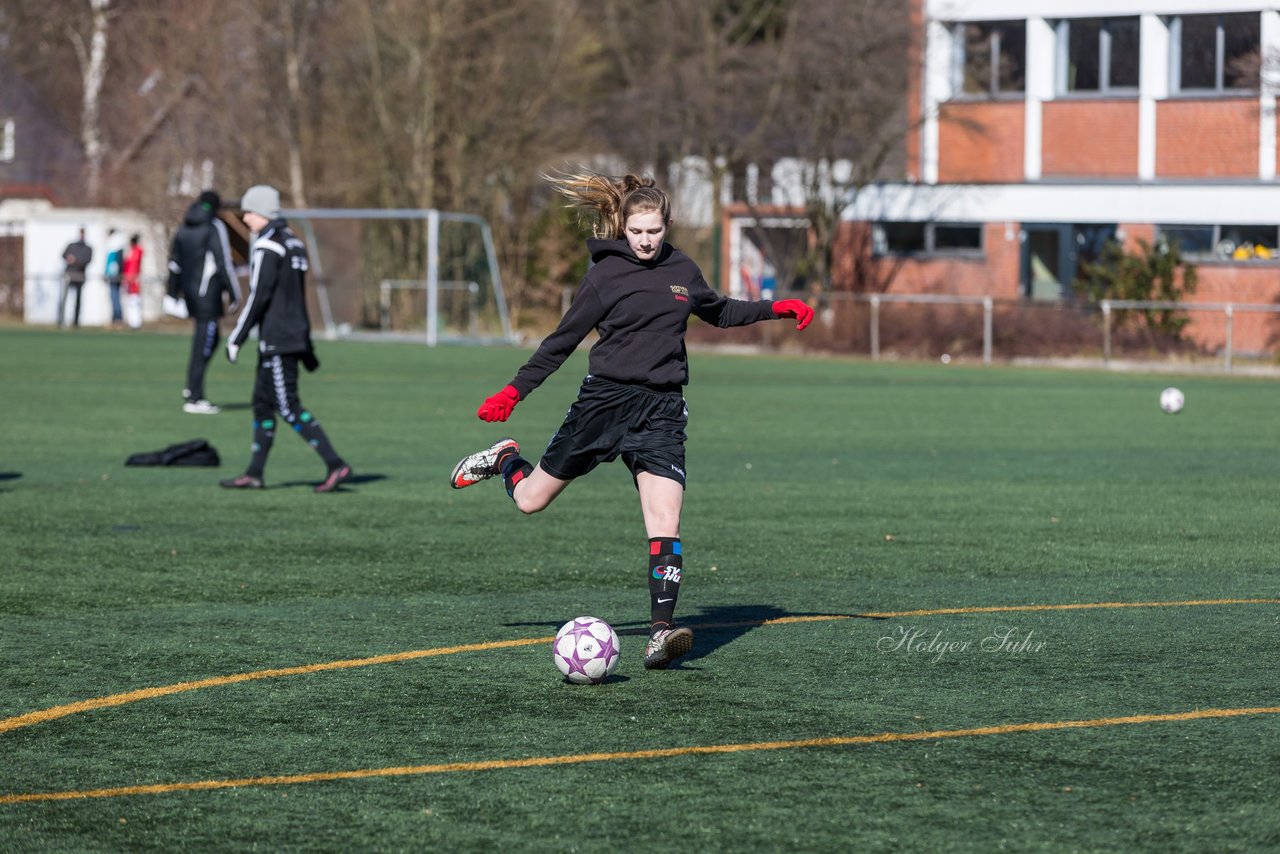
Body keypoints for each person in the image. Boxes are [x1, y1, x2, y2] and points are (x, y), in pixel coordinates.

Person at [448, 170, 814, 670]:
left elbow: (720, 311)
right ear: (623, 227)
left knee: (665, 520)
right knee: (531, 501)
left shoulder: (683, 269)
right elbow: (561, 341)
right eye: (637, 232)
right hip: (604, 404)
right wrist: (515, 391)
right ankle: (506, 459)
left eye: (654, 231)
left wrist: (777, 308)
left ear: (667, 226)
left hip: (661, 410)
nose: (645, 240)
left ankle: (659, 634)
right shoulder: (604, 276)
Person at [220, 184, 352, 494]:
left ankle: (336, 464)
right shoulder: (293, 241)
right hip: (290, 336)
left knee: (288, 406)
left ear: (263, 213)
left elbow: (259, 295)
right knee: (262, 405)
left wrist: (237, 336)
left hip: (278, 340)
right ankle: (254, 473)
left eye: (250, 212)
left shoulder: (268, 245)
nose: (246, 218)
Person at [167, 190, 241, 414]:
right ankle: (195, 397)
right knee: (204, 343)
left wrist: (173, 292)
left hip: (191, 294)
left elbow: (174, 263)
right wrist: (235, 293)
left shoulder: (184, 226)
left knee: (206, 340)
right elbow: (223, 262)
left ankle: (191, 389)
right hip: (207, 294)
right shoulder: (213, 226)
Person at [58, 228, 92, 328]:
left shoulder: (88, 248)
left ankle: (76, 322)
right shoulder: (71, 246)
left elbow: (87, 260)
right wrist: (68, 258)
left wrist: (76, 260)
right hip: (69, 275)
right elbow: (63, 255)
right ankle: (61, 321)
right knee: (64, 299)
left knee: (78, 300)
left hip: (80, 276)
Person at [104, 228, 125, 327]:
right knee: (113, 298)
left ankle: (118, 319)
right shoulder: (115, 247)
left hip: (114, 276)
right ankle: (115, 318)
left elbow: (112, 264)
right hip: (113, 275)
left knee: (115, 297)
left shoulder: (115, 247)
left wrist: (109, 273)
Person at [122, 233, 144, 329]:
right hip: (129, 279)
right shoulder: (131, 251)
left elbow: (134, 265)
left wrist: (132, 277)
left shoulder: (137, 251)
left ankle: (136, 322)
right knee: (130, 301)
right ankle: (132, 321)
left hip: (133, 279)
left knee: (134, 300)